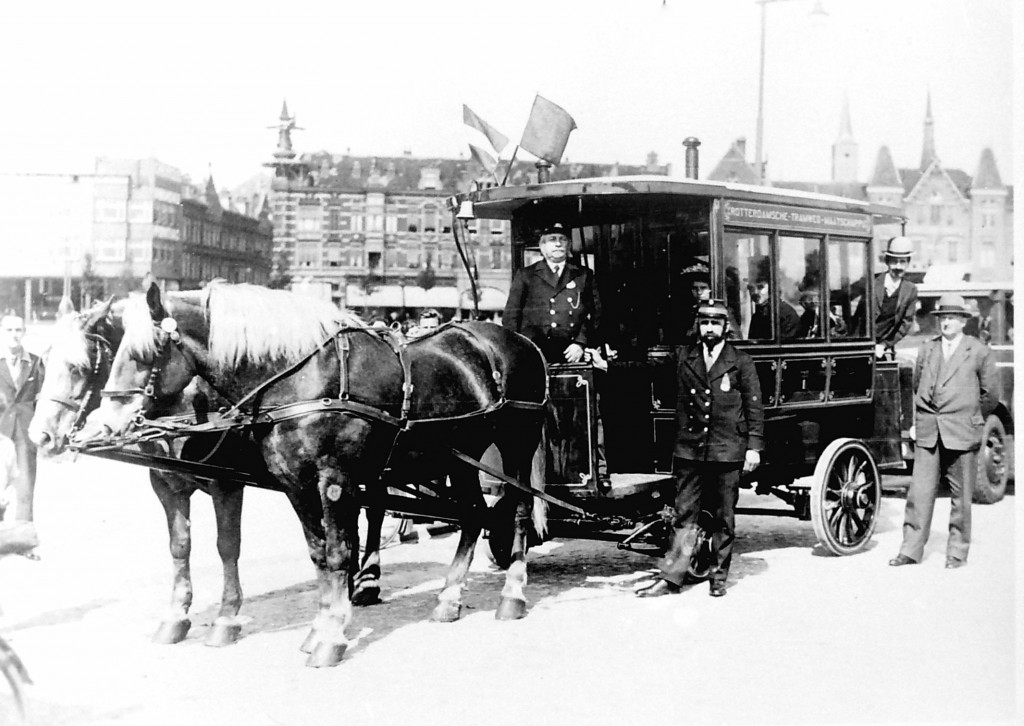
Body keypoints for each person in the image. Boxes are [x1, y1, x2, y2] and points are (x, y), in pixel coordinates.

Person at [636, 299, 764, 598]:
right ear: (699, 326)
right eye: (704, 323)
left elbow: (754, 407)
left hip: (726, 449)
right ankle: (672, 578)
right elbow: (645, 367)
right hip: (690, 451)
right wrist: (606, 365)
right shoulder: (685, 356)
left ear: (726, 327)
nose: (709, 328)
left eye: (715, 323)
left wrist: (754, 447)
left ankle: (719, 577)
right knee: (684, 515)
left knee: (723, 517)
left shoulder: (741, 361)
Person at [889, 294, 997, 570]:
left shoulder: (979, 351)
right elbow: (917, 385)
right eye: (942, 317)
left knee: (961, 496)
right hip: (929, 430)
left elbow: (990, 396)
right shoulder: (927, 349)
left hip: (962, 431)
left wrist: (970, 417)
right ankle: (910, 550)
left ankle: (956, 552)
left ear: (963, 321)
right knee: (920, 493)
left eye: (951, 317)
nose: (946, 322)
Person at [502, 222, 601, 364]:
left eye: (563, 239)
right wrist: (521, 348)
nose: (558, 244)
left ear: (569, 245)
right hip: (534, 352)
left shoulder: (583, 275)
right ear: (542, 246)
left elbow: (595, 314)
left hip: (572, 354)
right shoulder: (526, 275)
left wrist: (581, 343)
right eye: (552, 239)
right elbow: (510, 317)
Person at [0, 313, 44, 559]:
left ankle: (25, 541)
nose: (14, 335)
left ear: (24, 332)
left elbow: (43, 397)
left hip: (26, 431)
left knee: (26, 485)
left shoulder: (36, 363)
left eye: (18, 330)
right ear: (1, 332)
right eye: (9, 330)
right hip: (0, 429)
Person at [870, 236, 919, 358]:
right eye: (894, 261)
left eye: (902, 262)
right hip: (859, 344)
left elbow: (905, 324)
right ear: (887, 261)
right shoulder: (871, 281)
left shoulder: (910, 290)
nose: (898, 267)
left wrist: (884, 344)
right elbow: (846, 295)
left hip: (880, 350)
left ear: (908, 263)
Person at [748, 275, 800, 341]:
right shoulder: (758, 315)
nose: (755, 292)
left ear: (771, 288)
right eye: (751, 289)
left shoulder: (785, 314)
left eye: (760, 287)